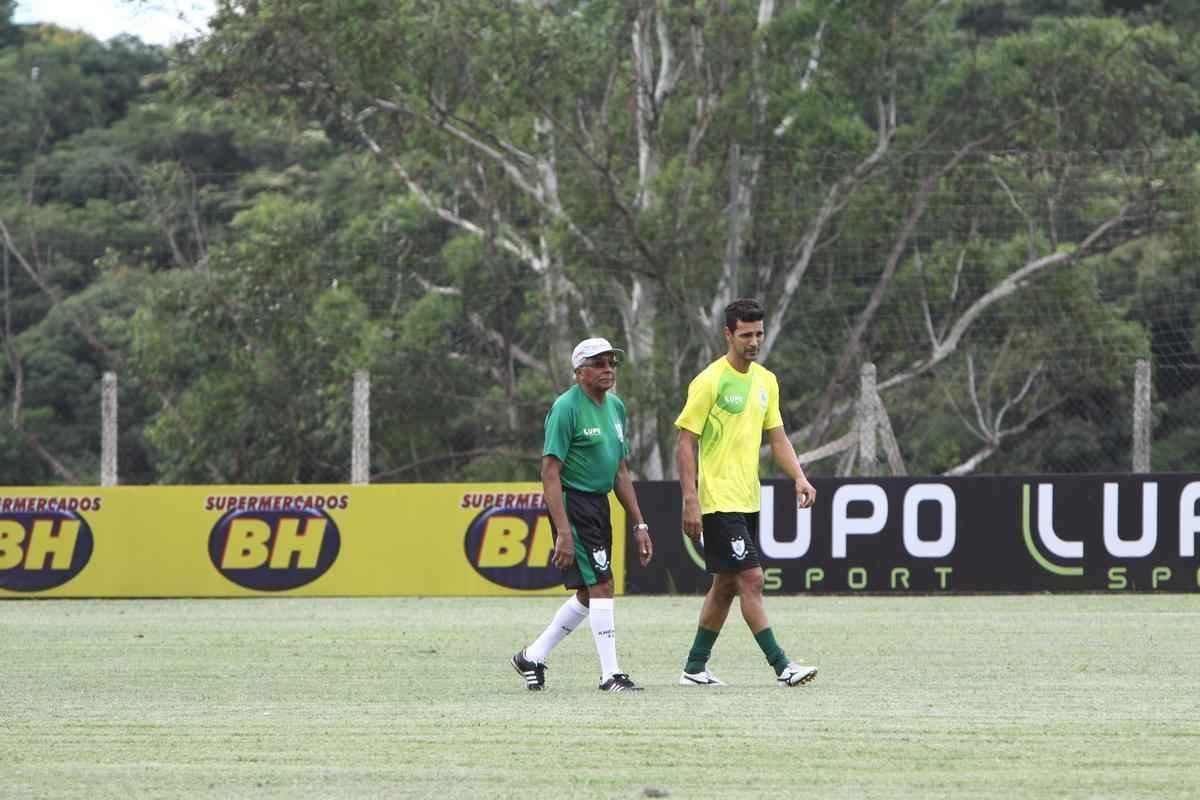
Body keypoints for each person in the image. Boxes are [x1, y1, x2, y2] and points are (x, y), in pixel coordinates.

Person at [674, 298, 819, 687]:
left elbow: (778, 437)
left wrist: (800, 478)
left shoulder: (766, 381)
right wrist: (691, 499)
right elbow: (685, 443)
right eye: (745, 335)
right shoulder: (709, 381)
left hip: (748, 499)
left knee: (725, 586)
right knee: (751, 579)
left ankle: (694, 667)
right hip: (718, 501)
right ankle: (782, 666)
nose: (754, 342)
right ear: (728, 334)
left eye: (758, 334)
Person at [512, 337, 654, 692]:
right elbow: (549, 472)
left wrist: (639, 523)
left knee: (591, 593)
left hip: (599, 504)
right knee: (603, 585)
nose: (608, 369)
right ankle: (610, 675)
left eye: (611, 363)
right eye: (599, 363)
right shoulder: (565, 408)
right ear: (579, 373)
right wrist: (562, 531)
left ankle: (532, 655)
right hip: (573, 504)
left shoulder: (616, 407)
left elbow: (621, 470)